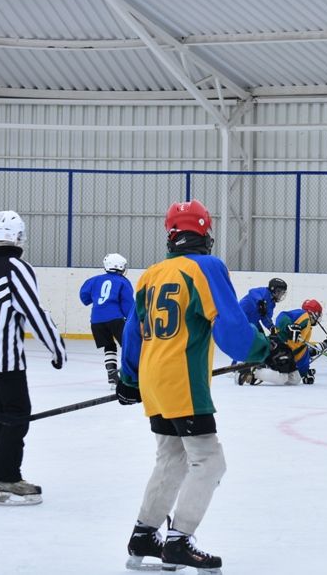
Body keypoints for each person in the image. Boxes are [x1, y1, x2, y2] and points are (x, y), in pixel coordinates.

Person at [118, 200, 287, 571]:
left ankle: (144, 534)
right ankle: (179, 541)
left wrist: (129, 379)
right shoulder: (206, 267)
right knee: (209, 461)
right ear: (205, 233)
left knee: (172, 458)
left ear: (171, 234)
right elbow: (228, 325)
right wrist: (264, 349)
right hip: (183, 382)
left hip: (153, 379)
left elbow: (133, 330)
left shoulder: (152, 273)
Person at [0, 210, 67, 506]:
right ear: (19, 236)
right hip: (5, 359)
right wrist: (56, 347)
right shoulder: (18, 268)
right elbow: (33, 312)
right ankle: (7, 477)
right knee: (18, 413)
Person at [79, 253, 134, 385]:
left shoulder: (94, 280)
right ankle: (129, 373)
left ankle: (111, 373)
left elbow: (84, 298)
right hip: (116, 319)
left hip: (96, 321)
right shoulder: (123, 281)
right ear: (120, 267)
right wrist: (132, 319)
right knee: (128, 345)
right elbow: (128, 304)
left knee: (109, 346)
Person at [241, 299, 324, 386]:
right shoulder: (304, 315)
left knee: (295, 379)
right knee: (282, 378)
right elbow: (282, 316)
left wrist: (305, 372)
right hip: (279, 344)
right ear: (311, 312)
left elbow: (302, 351)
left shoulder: (308, 328)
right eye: (318, 314)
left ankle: (266, 369)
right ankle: (254, 372)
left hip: (288, 354)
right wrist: (288, 327)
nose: (318, 317)